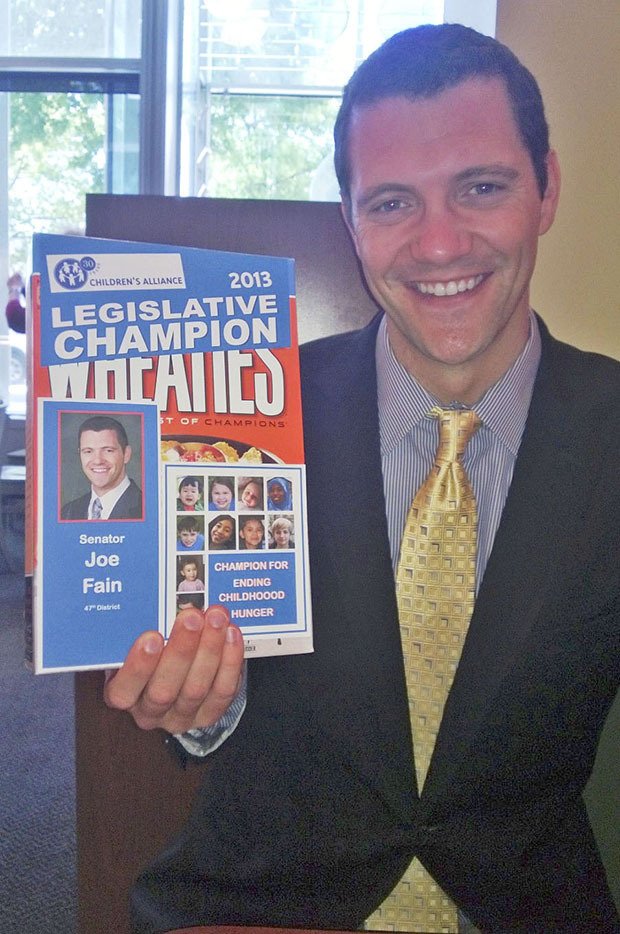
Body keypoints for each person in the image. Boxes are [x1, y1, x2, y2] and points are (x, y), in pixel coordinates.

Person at [105, 24, 620, 933]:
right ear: (350, 220)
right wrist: (198, 708)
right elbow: (217, 696)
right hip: (259, 909)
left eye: (482, 187)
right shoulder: (239, 422)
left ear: (546, 188)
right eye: (392, 204)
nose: (438, 243)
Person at [61, 414, 142, 520]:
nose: (98, 460)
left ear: (126, 454)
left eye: (108, 450)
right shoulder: (68, 512)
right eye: (88, 451)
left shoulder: (146, 508)